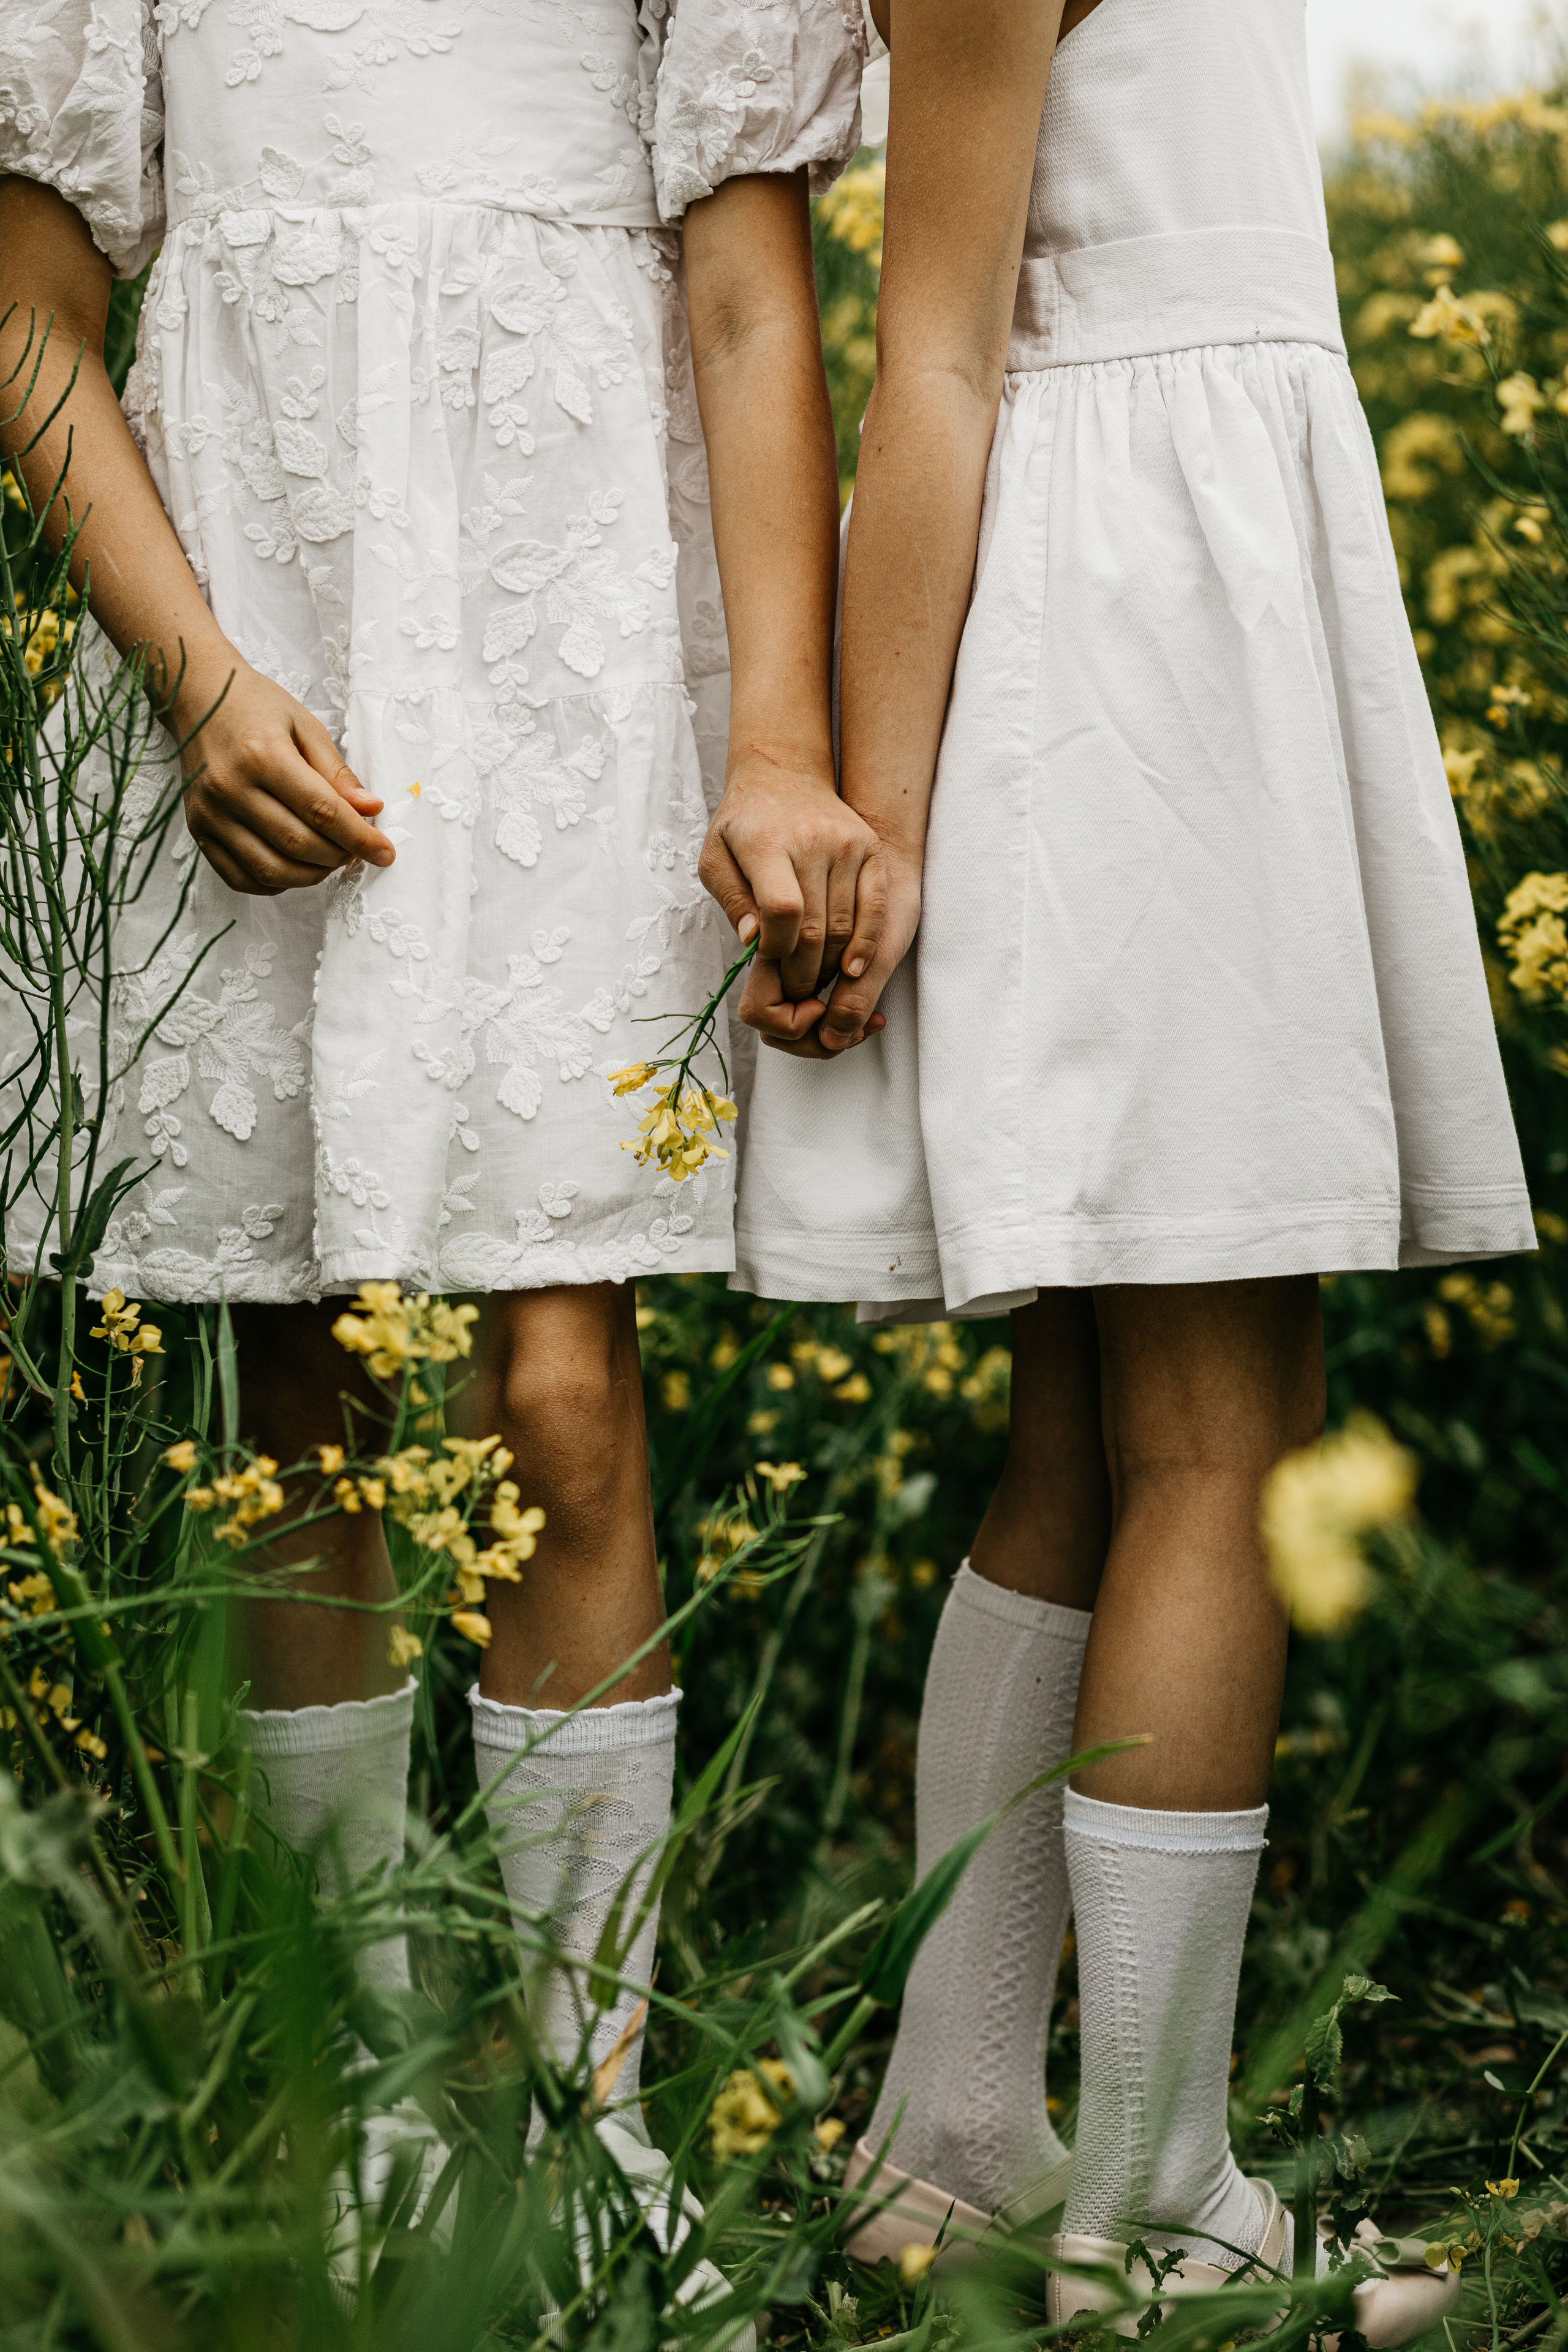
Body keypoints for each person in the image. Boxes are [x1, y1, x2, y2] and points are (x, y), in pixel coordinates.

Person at [674, 0, 1531, 2323]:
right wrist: (889, 818)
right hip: (1130, 633)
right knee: (1224, 1421)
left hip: (1194, 576)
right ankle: (1155, 2218)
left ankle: (957, 2146)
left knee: (1102, 1404)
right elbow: (932, 358)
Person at [0, 0, 861, 2250]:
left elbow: (753, 281)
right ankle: (354, 2115)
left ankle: (592, 2131)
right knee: (298, 1386)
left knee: (563, 1392)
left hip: (567, 623)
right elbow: (30, 305)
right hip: (258, 633)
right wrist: (191, 670)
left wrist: (776, 739)